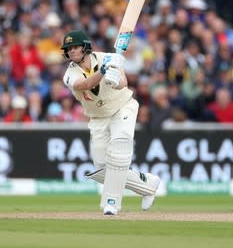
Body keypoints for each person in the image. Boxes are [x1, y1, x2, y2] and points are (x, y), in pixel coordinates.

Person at [61, 30, 161, 215]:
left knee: (119, 149)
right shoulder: (69, 74)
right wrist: (103, 72)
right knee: (102, 169)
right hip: (98, 117)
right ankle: (147, 184)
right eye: (69, 49)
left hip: (123, 107)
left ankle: (111, 203)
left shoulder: (108, 57)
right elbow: (83, 85)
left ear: (85, 47)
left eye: (75, 47)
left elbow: (123, 82)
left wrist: (115, 80)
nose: (72, 51)